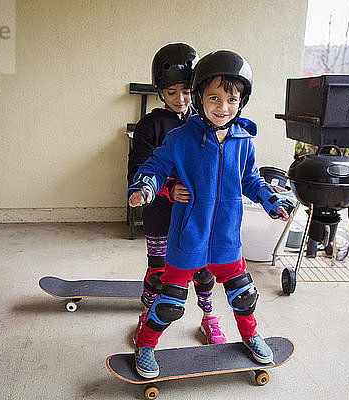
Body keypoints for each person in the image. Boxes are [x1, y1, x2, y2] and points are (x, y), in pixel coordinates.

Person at [127, 50, 294, 378]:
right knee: (171, 301)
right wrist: (145, 188)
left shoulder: (243, 140)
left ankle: (250, 336)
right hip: (188, 237)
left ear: (241, 100)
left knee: (244, 296)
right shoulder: (179, 138)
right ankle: (146, 344)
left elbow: (251, 179)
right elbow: (155, 165)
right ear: (200, 98)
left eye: (231, 98)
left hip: (226, 239)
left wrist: (271, 201)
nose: (222, 107)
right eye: (214, 98)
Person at [127, 43, 227, 347]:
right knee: (159, 272)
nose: (180, 99)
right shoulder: (150, 125)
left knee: (203, 273)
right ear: (160, 92)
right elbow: (139, 169)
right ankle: (147, 314)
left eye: (186, 92)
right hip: (161, 216)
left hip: (197, 218)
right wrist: (168, 188)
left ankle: (209, 319)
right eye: (172, 92)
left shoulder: (206, 124)